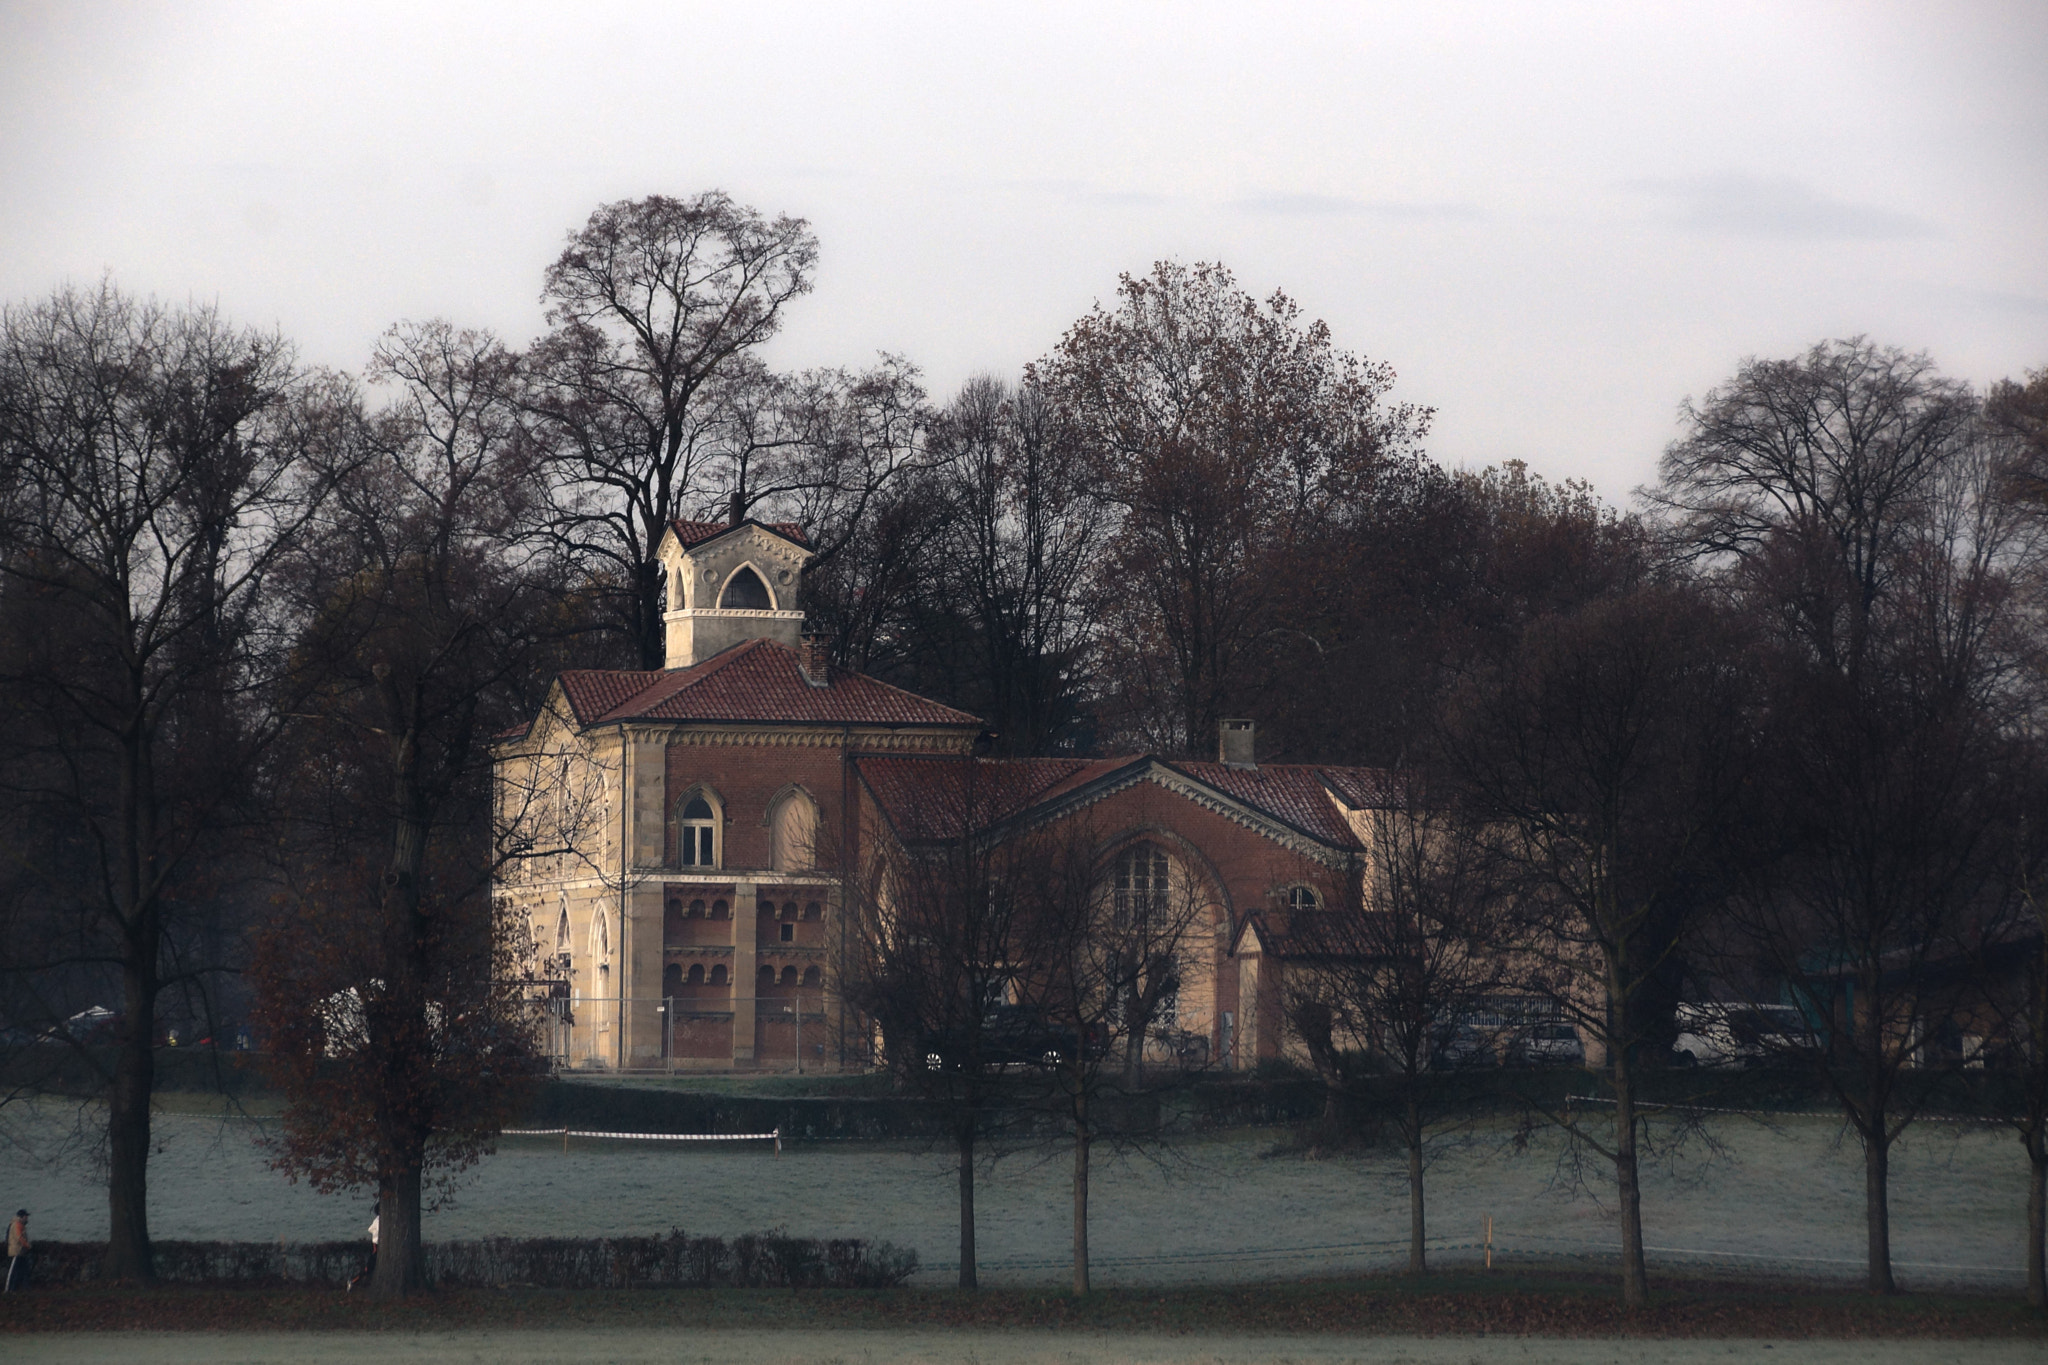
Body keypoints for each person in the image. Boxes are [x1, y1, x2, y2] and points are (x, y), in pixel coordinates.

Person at [346, 1202, 379, 1292]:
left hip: (376, 1245)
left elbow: (370, 1229)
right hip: (377, 1246)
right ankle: (353, 1281)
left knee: (370, 1268)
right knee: (368, 1268)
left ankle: (355, 1281)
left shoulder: (376, 1220)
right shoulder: (379, 1221)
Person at [5, 1209, 29, 1292]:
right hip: (16, 1251)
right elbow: (19, 1237)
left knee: (21, 1271)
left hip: (20, 1251)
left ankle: (17, 1289)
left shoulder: (18, 1224)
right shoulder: (17, 1224)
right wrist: (28, 1246)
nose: (27, 1218)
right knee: (13, 1271)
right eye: (26, 1216)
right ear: (22, 1217)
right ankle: (8, 1289)